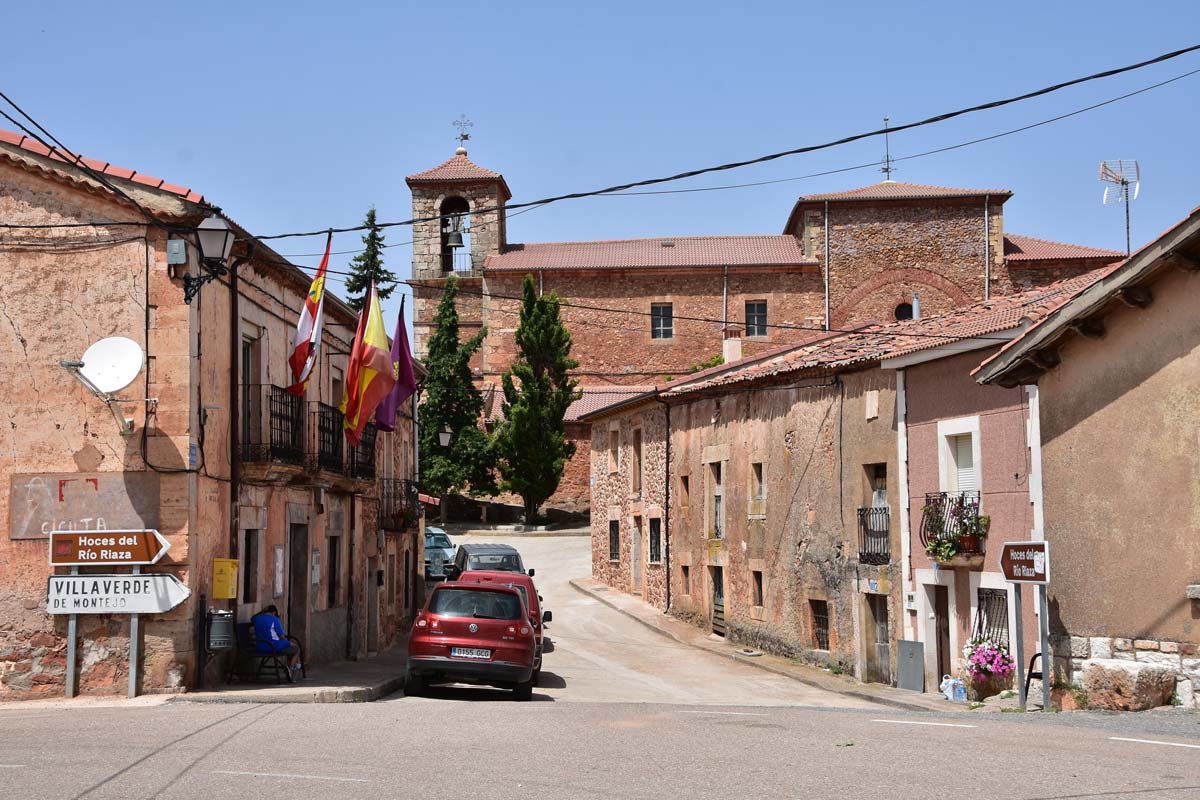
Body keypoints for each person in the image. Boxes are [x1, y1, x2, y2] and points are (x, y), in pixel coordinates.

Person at [250, 605, 301, 676]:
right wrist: (286, 642)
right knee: (296, 648)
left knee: (289, 646)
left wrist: (262, 611)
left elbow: (252, 618)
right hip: (272, 646)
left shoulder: (257, 618)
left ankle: (294, 666)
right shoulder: (274, 619)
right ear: (274, 612)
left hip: (260, 646)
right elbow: (282, 636)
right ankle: (291, 668)